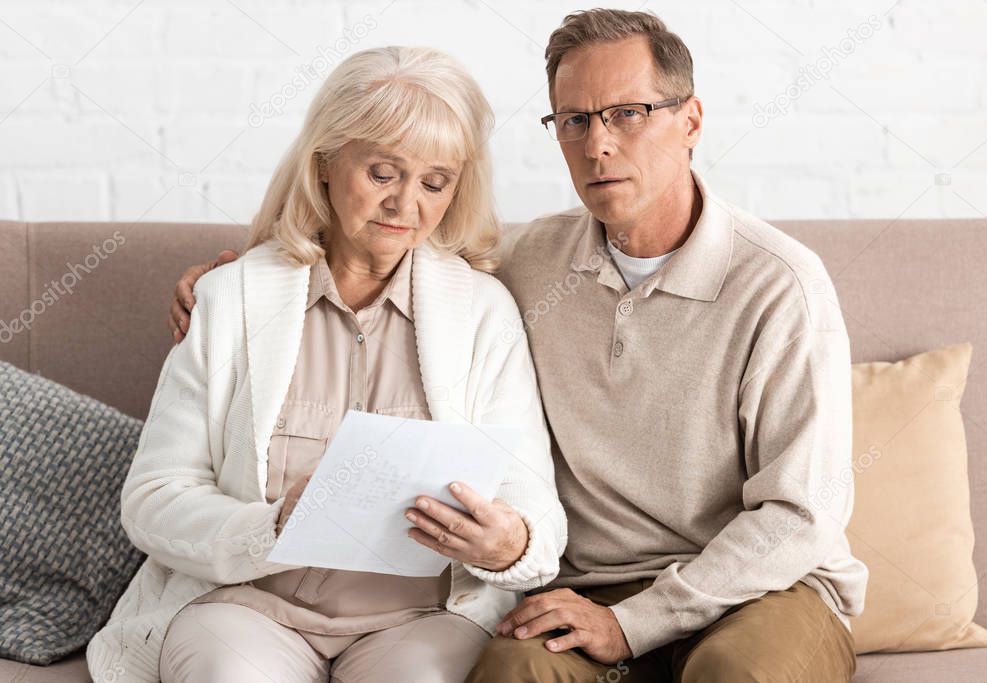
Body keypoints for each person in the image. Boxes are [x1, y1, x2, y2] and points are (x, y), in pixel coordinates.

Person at [168, 9, 868, 682]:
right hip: (587, 590)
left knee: (739, 673)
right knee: (509, 671)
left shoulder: (779, 285)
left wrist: (637, 622)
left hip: (757, 588)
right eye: (574, 120)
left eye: (628, 113)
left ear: (690, 121)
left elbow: (799, 512)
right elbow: (382, 242)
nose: (597, 144)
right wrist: (235, 279)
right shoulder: (526, 264)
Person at [86, 46, 567, 683]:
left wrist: (511, 545)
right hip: (246, 609)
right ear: (325, 166)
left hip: (420, 620)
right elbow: (152, 498)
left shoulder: (484, 312)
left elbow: (534, 510)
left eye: (434, 182)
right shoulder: (231, 297)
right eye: (381, 172)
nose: (405, 204)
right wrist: (271, 526)